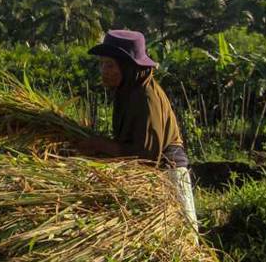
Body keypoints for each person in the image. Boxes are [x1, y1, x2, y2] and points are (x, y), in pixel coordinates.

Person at [82, 29, 198, 232]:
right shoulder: (128, 91)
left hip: (168, 176)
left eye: (109, 65)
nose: (103, 71)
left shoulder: (144, 97)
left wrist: (99, 144)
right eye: (101, 64)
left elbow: (145, 155)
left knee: (182, 241)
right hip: (152, 176)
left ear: (127, 67)